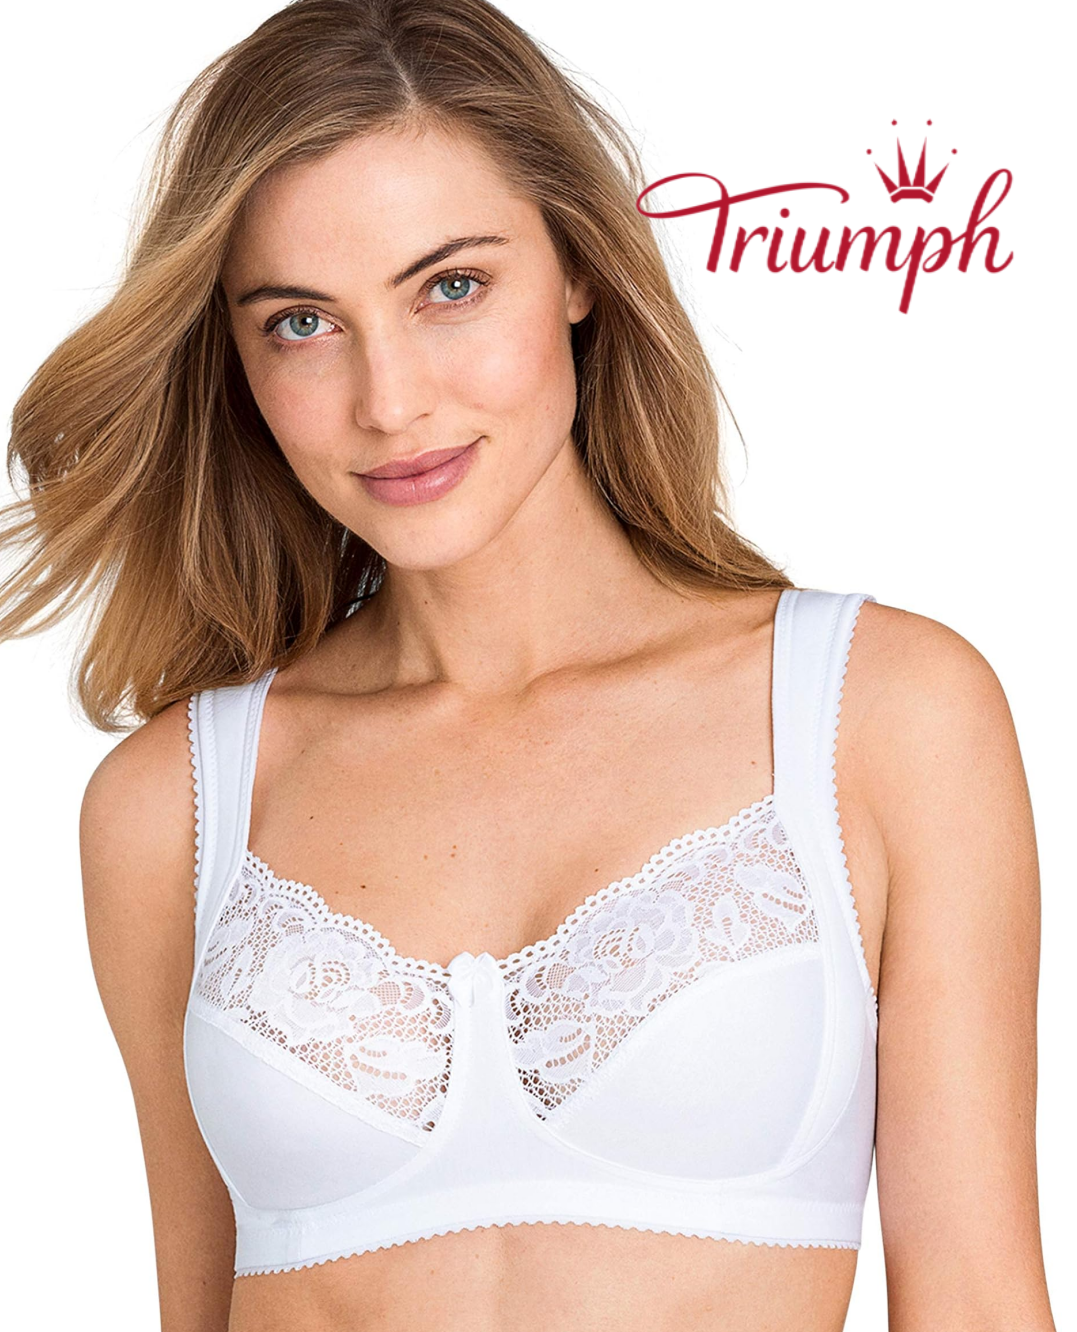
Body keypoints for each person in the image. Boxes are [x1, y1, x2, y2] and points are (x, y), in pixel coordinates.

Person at [1, 1, 1056, 1330]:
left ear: (577, 268)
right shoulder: (175, 807)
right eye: (302, 323)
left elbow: (974, 1298)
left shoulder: (880, 714)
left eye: (451, 287)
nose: (391, 402)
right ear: (237, 357)